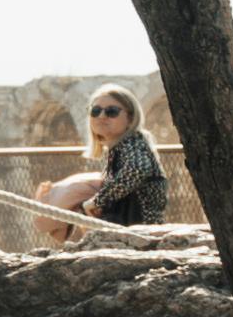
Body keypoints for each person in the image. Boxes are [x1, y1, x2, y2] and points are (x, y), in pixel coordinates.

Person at [36, 85, 169, 243]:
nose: (101, 116)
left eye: (111, 111)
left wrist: (95, 202)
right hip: (128, 228)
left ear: (130, 118)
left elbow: (138, 170)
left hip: (138, 232)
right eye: (95, 111)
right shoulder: (122, 147)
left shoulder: (132, 143)